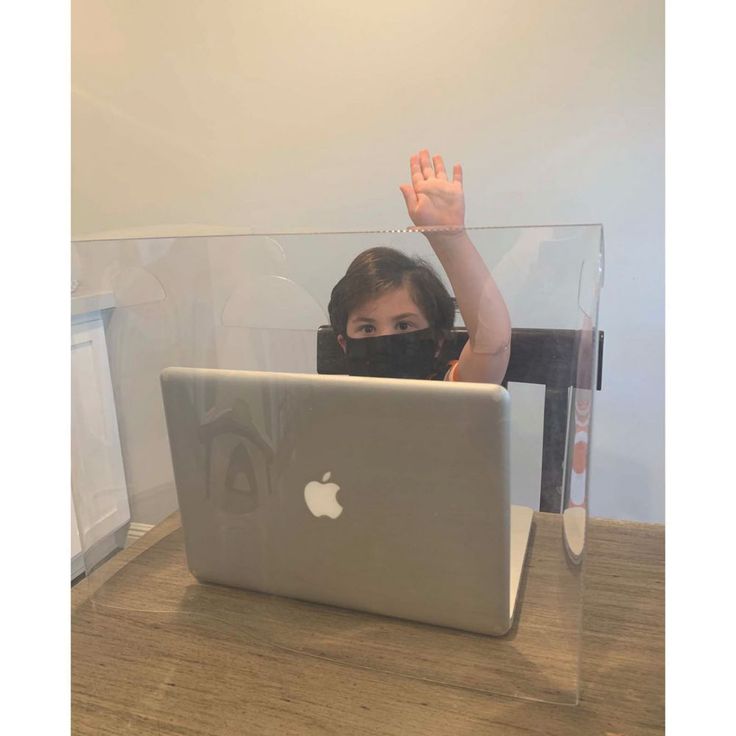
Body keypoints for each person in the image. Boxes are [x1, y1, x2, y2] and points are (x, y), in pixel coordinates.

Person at [328, 150, 511, 384]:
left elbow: (493, 344)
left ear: (437, 341)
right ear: (344, 344)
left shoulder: (450, 392)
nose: (385, 339)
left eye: (403, 325)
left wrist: (450, 237)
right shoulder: (334, 399)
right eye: (367, 329)